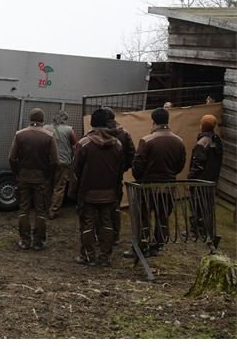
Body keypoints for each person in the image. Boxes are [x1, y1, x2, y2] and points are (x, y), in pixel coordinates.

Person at [126, 107, 186, 257]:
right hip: (168, 187)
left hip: (148, 187)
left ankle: (142, 244)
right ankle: (158, 245)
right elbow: (180, 164)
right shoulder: (179, 141)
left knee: (143, 216)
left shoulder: (147, 140)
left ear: (153, 121)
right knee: (163, 216)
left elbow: (138, 165)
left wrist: (140, 178)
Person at [69, 108, 124, 267]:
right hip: (109, 193)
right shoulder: (118, 144)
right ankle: (105, 257)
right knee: (107, 223)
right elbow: (120, 171)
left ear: (93, 123)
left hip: (87, 193)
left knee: (87, 224)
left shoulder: (84, 143)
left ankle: (88, 256)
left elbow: (75, 170)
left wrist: (73, 192)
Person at [9, 108, 58, 251]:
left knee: (24, 209)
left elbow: (12, 158)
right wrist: (48, 176)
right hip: (41, 178)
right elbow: (55, 161)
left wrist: (17, 173)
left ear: (30, 119)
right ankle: (38, 242)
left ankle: (24, 241)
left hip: (23, 176)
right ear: (42, 120)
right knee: (40, 210)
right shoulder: (49, 136)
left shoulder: (20, 135)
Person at [102, 107, 136, 245]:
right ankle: (115, 235)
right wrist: (123, 168)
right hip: (117, 175)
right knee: (115, 205)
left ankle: (101, 234)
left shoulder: (97, 133)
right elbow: (132, 154)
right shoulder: (124, 134)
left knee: (98, 206)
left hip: (99, 175)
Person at [187, 114, 223, 234]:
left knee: (196, 205)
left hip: (200, 181)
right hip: (212, 180)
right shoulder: (217, 141)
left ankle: (195, 230)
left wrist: (190, 179)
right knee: (207, 206)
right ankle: (206, 229)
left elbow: (197, 165)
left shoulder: (202, 143)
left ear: (202, 125)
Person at [43, 110, 78, 219]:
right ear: (65, 119)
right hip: (63, 162)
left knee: (47, 185)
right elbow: (75, 146)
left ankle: (45, 208)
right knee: (59, 187)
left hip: (48, 161)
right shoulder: (69, 130)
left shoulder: (45, 129)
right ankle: (53, 211)